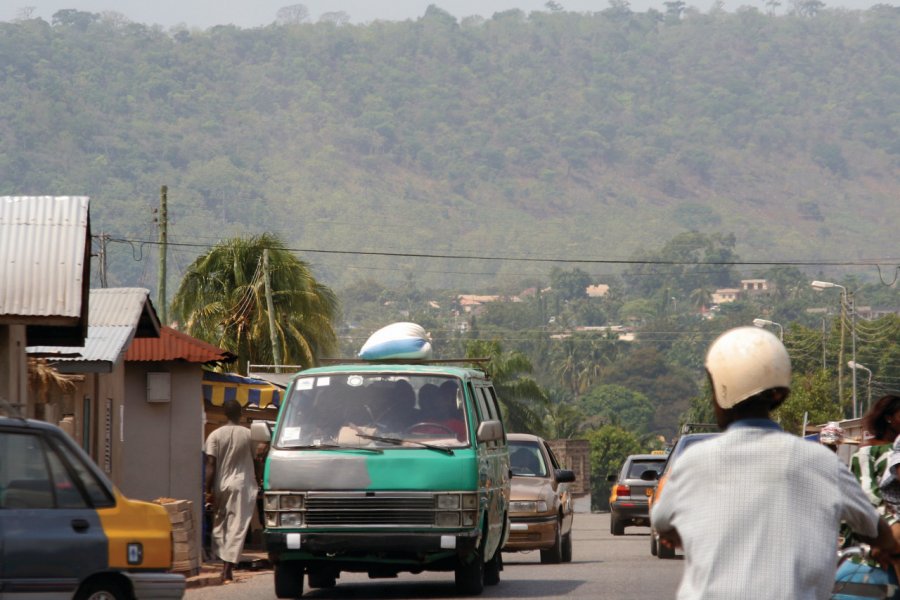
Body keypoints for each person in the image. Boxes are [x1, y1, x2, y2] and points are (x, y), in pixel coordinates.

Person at [651, 326, 900, 600]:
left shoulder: (694, 460)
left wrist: (677, 532)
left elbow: (663, 521)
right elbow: (874, 528)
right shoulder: (820, 462)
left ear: (719, 394)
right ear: (781, 394)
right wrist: (884, 545)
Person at [204, 399, 258, 581]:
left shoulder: (215, 435)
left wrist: (208, 490)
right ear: (240, 413)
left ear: (224, 414)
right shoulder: (249, 435)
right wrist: (259, 481)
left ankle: (225, 564)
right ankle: (228, 567)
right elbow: (256, 459)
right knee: (237, 526)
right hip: (242, 485)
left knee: (220, 524)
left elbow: (210, 464)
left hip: (221, 485)